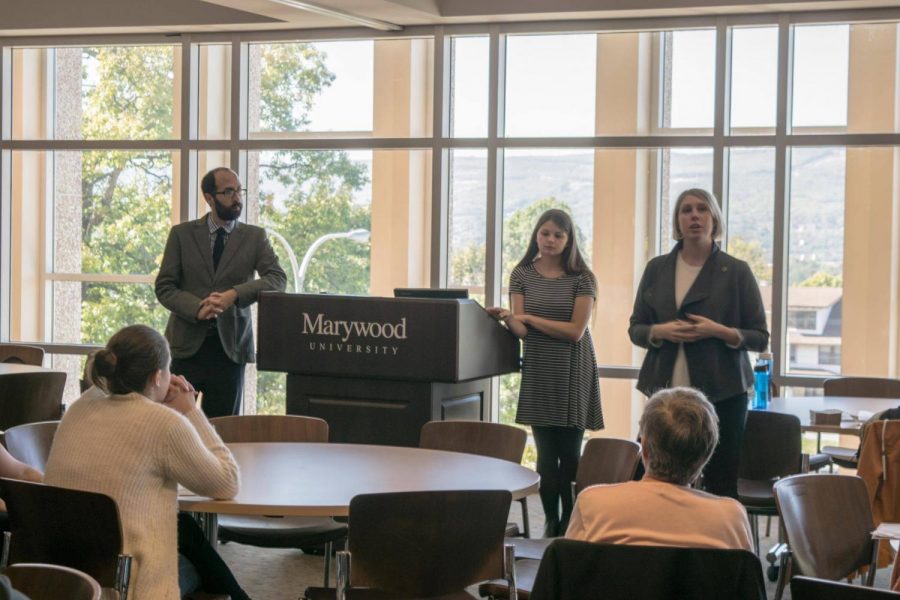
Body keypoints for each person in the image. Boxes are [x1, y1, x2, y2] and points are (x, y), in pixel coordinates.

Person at [44, 325, 246, 600]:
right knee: (201, 567)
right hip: (127, 581)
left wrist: (156, 404)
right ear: (157, 376)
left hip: (65, 568)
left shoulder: (80, 407)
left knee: (186, 529)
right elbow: (227, 483)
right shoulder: (165, 425)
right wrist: (190, 411)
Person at [628, 188, 768, 499]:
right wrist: (660, 331)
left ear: (714, 219)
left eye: (702, 209)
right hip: (664, 395)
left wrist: (720, 331)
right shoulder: (656, 268)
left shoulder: (736, 271)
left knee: (721, 483)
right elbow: (635, 329)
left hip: (724, 392)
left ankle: (718, 545)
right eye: (686, 210)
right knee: (654, 480)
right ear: (677, 221)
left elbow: (760, 336)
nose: (694, 216)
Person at [488, 208, 603, 537]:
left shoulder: (583, 277)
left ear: (569, 240)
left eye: (558, 235)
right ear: (536, 235)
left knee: (569, 454)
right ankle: (552, 521)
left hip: (573, 367)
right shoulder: (522, 274)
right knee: (545, 453)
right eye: (545, 233)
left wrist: (531, 319)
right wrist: (508, 317)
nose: (550, 240)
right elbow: (521, 331)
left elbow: (575, 332)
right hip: (539, 365)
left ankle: (571, 520)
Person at [155, 167, 287, 418]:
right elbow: (165, 287)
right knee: (174, 425)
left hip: (230, 350)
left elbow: (278, 279)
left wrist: (234, 295)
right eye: (228, 192)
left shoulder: (255, 237)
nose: (237, 198)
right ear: (209, 197)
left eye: (239, 190)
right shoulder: (182, 235)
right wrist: (196, 307)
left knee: (224, 431)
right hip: (185, 347)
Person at [566, 387, 753, 551]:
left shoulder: (593, 506)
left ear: (644, 448)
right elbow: (746, 587)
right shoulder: (731, 519)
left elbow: (567, 579)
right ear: (705, 457)